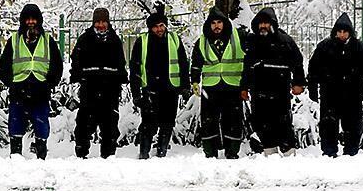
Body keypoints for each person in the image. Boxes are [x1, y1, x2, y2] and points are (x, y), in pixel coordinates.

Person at [307, 12, 363, 157]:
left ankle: (351, 153)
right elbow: (313, 69)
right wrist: (313, 88)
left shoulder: (360, 49)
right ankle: (329, 153)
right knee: (328, 125)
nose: (342, 35)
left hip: (353, 94)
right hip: (330, 94)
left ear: (350, 32)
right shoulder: (324, 47)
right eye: (339, 31)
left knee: (353, 126)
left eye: (345, 32)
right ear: (335, 32)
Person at [0, 3, 63, 159]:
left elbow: (57, 66)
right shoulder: (13, 40)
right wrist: (12, 85)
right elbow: (4, 67)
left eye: (34, 19)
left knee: (41, 127)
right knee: (15, 126)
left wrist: (49, 84)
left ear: (39, 20)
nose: (31, 22)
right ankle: (16, 158)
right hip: (18, 92)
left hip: (40, 91)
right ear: (22, 21)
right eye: (27, 19)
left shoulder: (48, 40)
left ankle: (41, 158)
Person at [242, 7, 306, 155]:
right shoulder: (253, 42)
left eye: (266, 23)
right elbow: (247, 67)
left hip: (280, 92)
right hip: (259, 93)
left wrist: (298, 83)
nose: (263, 26)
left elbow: (297, 63)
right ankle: (270, 156)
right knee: (262, 125)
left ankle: (289, 155)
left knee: (283, 125)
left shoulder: (285, 41)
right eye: (261, 23)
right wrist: (243, 87)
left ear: (272, 24)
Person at [128, 8, 190, 158]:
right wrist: (136, 93)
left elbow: (183, 63)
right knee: (148, 123)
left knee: (168, 123)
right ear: (150, 28)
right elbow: (134, 69)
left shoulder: (174, 39)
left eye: (162, 25)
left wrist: (185, 86)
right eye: (155, 26)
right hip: (150, 89)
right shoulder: (142, 42)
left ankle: (162, 152)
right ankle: (144, 153)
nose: (159, 29)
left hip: (171, 88)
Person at [69, 8, 127, 158]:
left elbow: (121, 63)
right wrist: (77, 78)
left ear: (108, 22)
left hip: (110, 89)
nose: (101, 25)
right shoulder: (84, 39)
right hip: (89, 88)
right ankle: (81, 153)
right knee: (84, 123)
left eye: (103, 22)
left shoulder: (115, 40)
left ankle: (108, 156)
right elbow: (75, 61)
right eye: (98, 22)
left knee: (110, 124)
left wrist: (121, 78)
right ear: (94, 22)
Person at [190, 8, 247, 159]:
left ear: (225, 23)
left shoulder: (239, 36)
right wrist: (194, 80)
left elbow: (249, 58)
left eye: (219, 22)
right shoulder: (202, 40)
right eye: (213, 23)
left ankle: (232, 152)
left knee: (233, 120)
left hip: (233, 86)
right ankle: (210, 153)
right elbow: (196, 62)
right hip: (211, 87)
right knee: (208, 122)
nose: (216, 26)